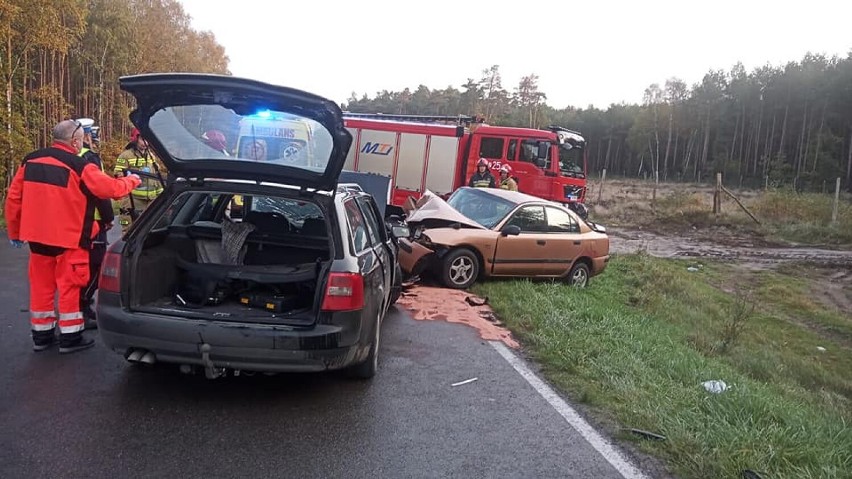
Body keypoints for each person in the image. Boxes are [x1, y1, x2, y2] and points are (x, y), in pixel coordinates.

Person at [5, 120, 141, 354]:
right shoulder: (78, 165)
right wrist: (132, 181)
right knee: (69, 287)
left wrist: (15, 232)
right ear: (75, 141)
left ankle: (42, 336)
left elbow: (14, 199)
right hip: (71, 238)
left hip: (37, 239)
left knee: (41, 287)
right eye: (82, 139)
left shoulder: (30, 161)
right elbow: (110, 190)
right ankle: (70, 338)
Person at [76, 118, 115, 330]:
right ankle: (81, 306)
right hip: (93, 221)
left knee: (74, 268)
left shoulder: (67, 156)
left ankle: (76, 307)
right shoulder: (89, 158)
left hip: (73, 220)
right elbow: (100, 190)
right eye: (94, 135)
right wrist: (108, 217)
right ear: (87, 136)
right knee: (97, 266)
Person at [114, 128, 164, 232]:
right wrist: (130, 176)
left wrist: (161, 195)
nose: (145, 143)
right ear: (136, 139)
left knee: (147, 230)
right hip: (133, 201)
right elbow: (118, 175)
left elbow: (156, 177)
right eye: (142, 139)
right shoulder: (126, 155)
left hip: (151, 200)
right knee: (129, 230)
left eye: (147, 139)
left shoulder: (151, 156)